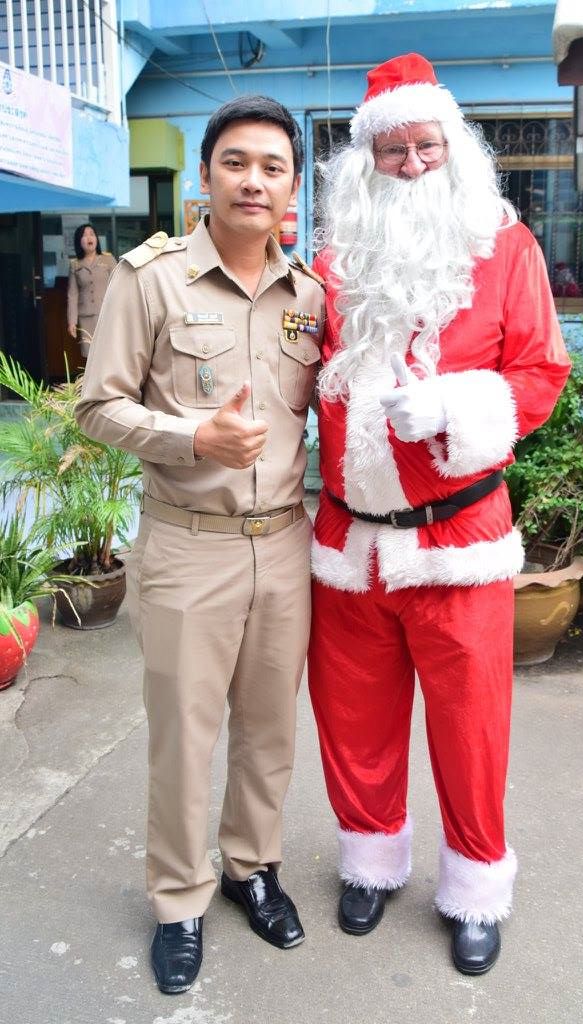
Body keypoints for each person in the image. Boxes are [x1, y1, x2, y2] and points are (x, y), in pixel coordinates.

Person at [308, 53, 571, 976]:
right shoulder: (332, 264)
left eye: (427, 145)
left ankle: (474, 885)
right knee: (353, 719)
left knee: (470, 729)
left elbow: (539, 371)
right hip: (349, 542)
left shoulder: (507, 247)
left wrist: (458, 407)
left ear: (454, 148)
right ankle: (371, 861)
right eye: (393, 150)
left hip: (458, 539)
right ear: (365, 163)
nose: (413, 164)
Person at [75, 95, 325, 995]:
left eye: (272, 167)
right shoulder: (152, 279)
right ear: (205, 177)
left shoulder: (309, 298)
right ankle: (179, 899)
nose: (253, 180)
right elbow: (97, 406)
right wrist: (193, 438)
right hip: (189, 544)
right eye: (236, 162)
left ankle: (252, 867)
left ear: (292, 188)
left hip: (285, 546)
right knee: (184, 735)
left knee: (269, 728)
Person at [67, 224, 117, 359]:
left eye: (92, 234)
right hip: (86, 317)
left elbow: (119, 285)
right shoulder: (75, 264)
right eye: (84, 235)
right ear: (79, 241)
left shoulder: (108, 259)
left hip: (107, 315)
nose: (89, 237)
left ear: (96, 239)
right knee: (91, 357)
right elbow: (72, 295)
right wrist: (72, 322)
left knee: (110, 354)